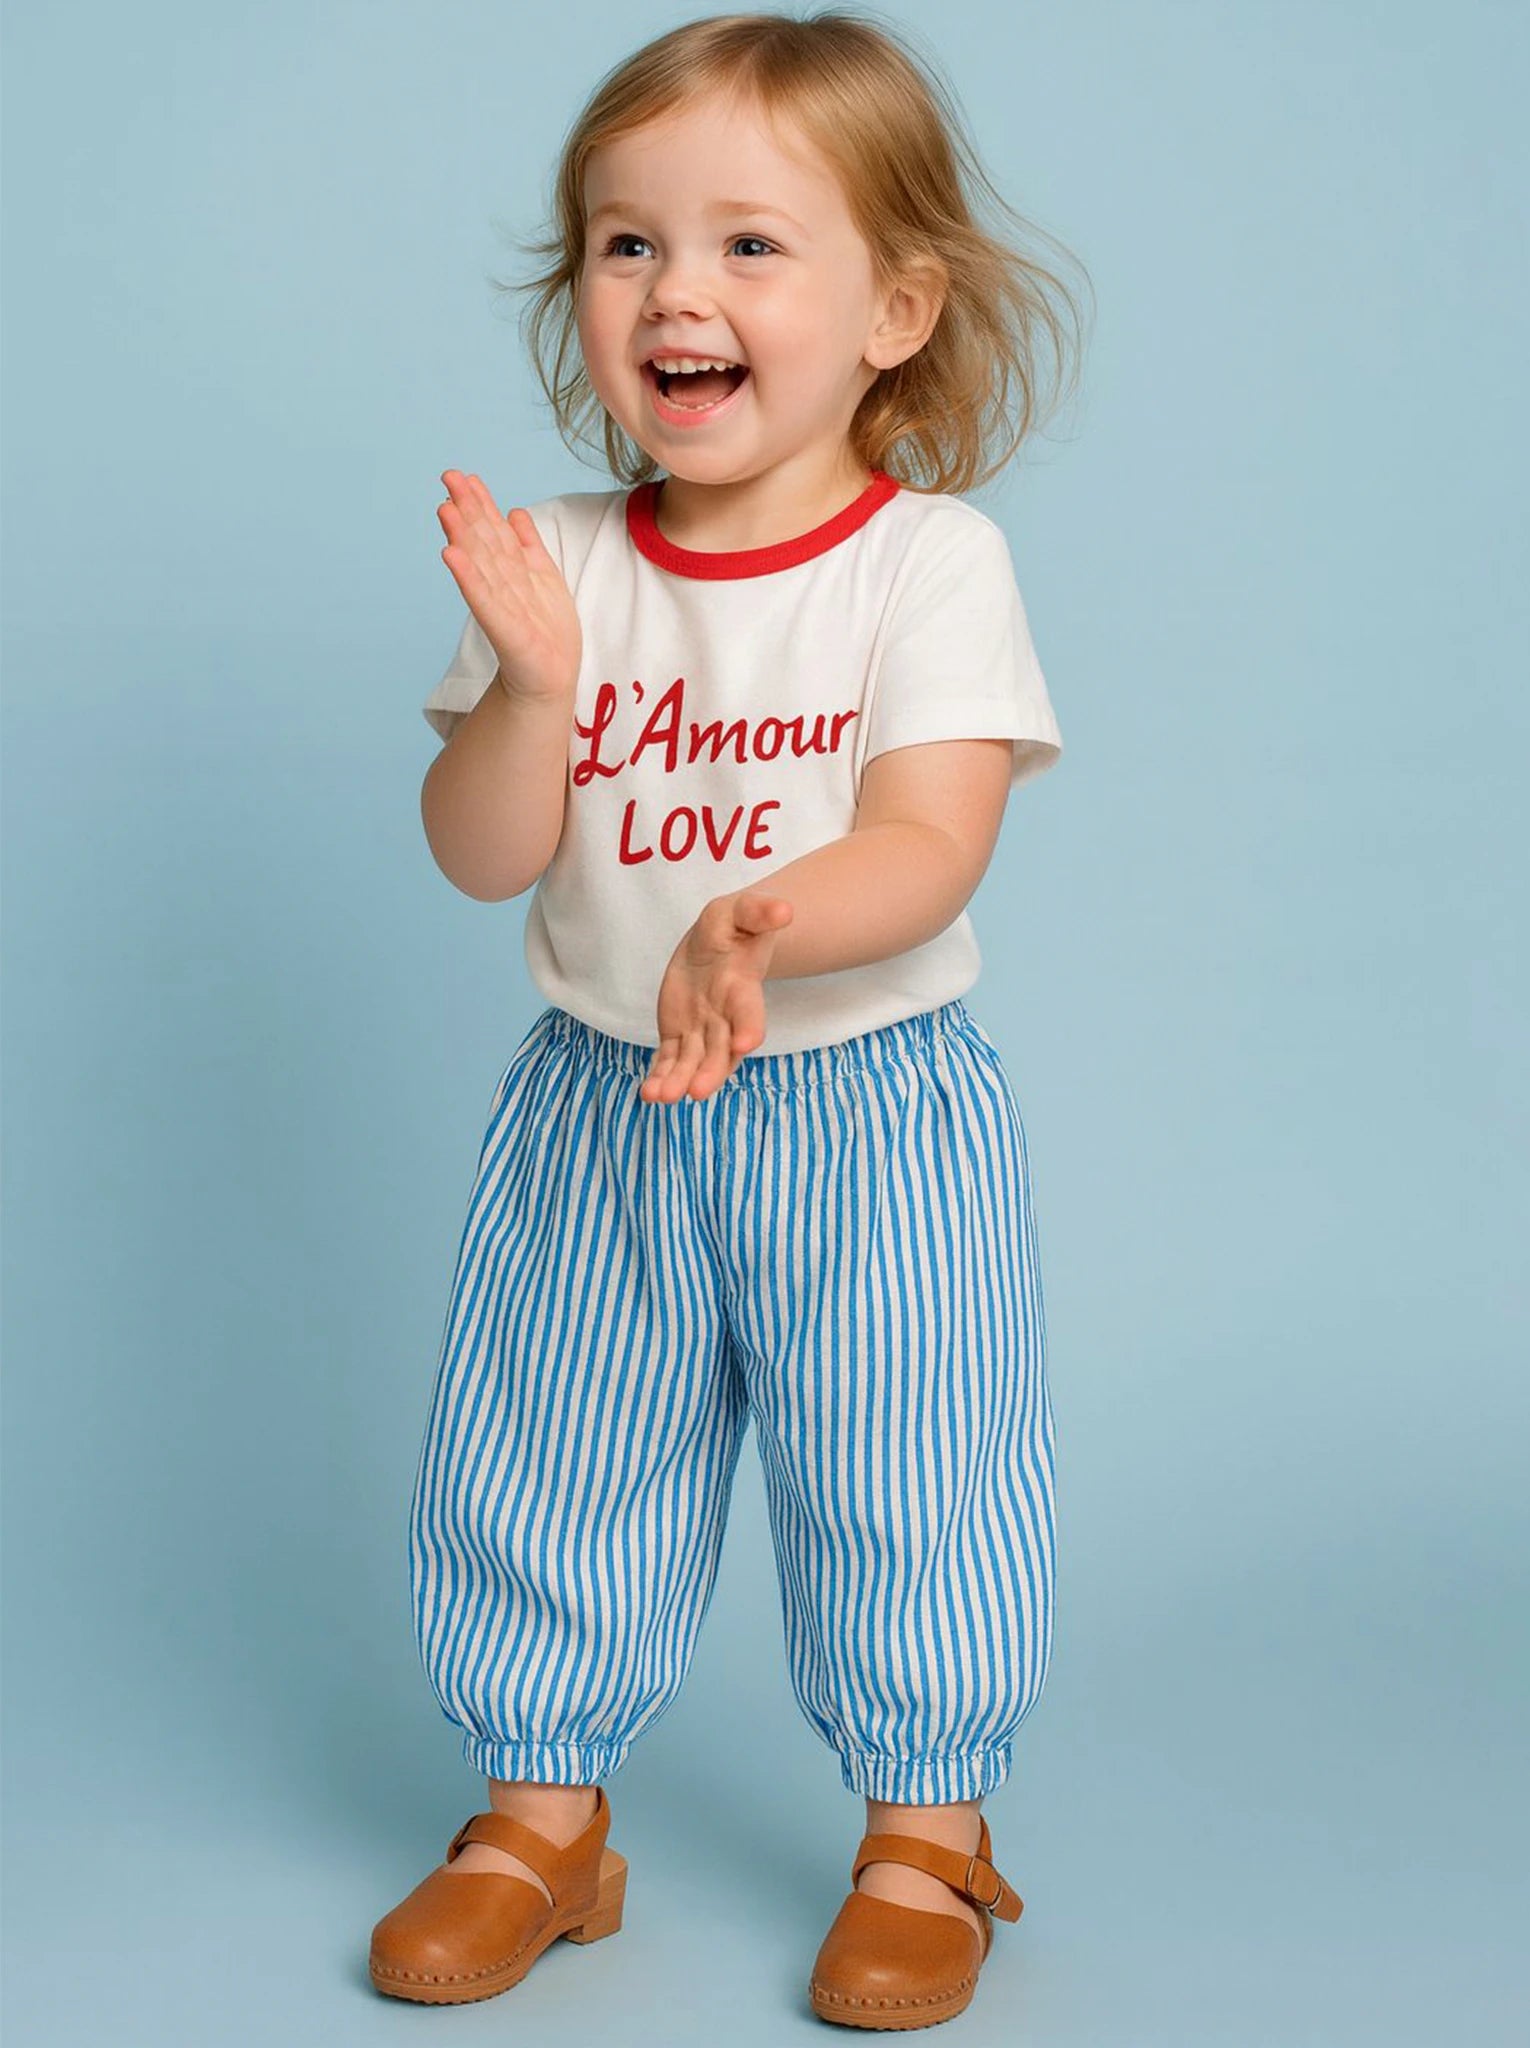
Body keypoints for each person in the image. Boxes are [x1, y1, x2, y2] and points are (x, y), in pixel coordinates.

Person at [368, 7, 1089, 2028]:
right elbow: (482, 854)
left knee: (909, 1467)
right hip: (604, 1104)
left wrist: (762, 915)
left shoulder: (930, 564)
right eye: (625, 244)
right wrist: (527, 693)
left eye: (751, 245)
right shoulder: (567, 571)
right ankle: (541, 1814)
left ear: (897, 304)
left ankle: (928, 1831)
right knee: (546, 1450)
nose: (677, 289)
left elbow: (935, 837)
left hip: (863, 1105)